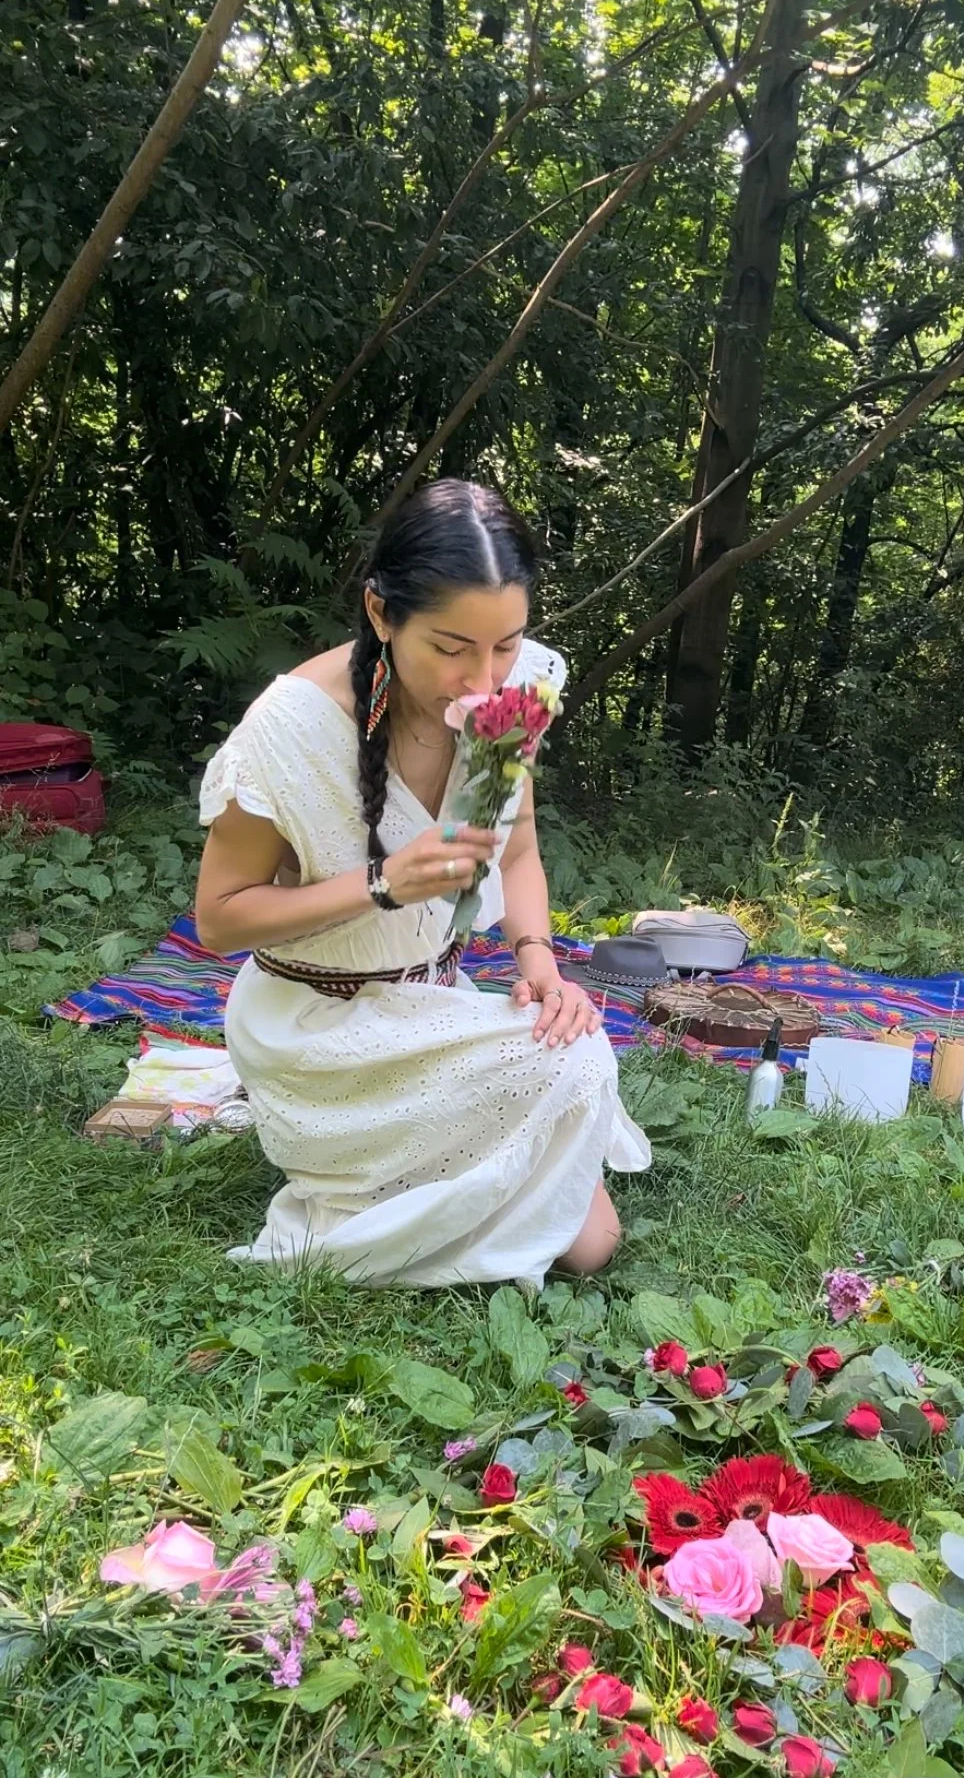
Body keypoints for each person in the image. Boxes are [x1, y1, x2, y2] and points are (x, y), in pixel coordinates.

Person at [195, 480, 651, 1288]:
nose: (483, 678)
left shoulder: (515, 691)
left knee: (590, 1222)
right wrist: (380, 885)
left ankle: (421, 1170)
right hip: (314, 1035)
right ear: (380, 614)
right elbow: (220, 922)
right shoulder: (290, 728)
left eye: (505, 644)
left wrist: (537, 961)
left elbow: (517, 845)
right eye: (450, 648)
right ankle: (357, 1172)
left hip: (432, 1005)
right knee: (575, 1212)